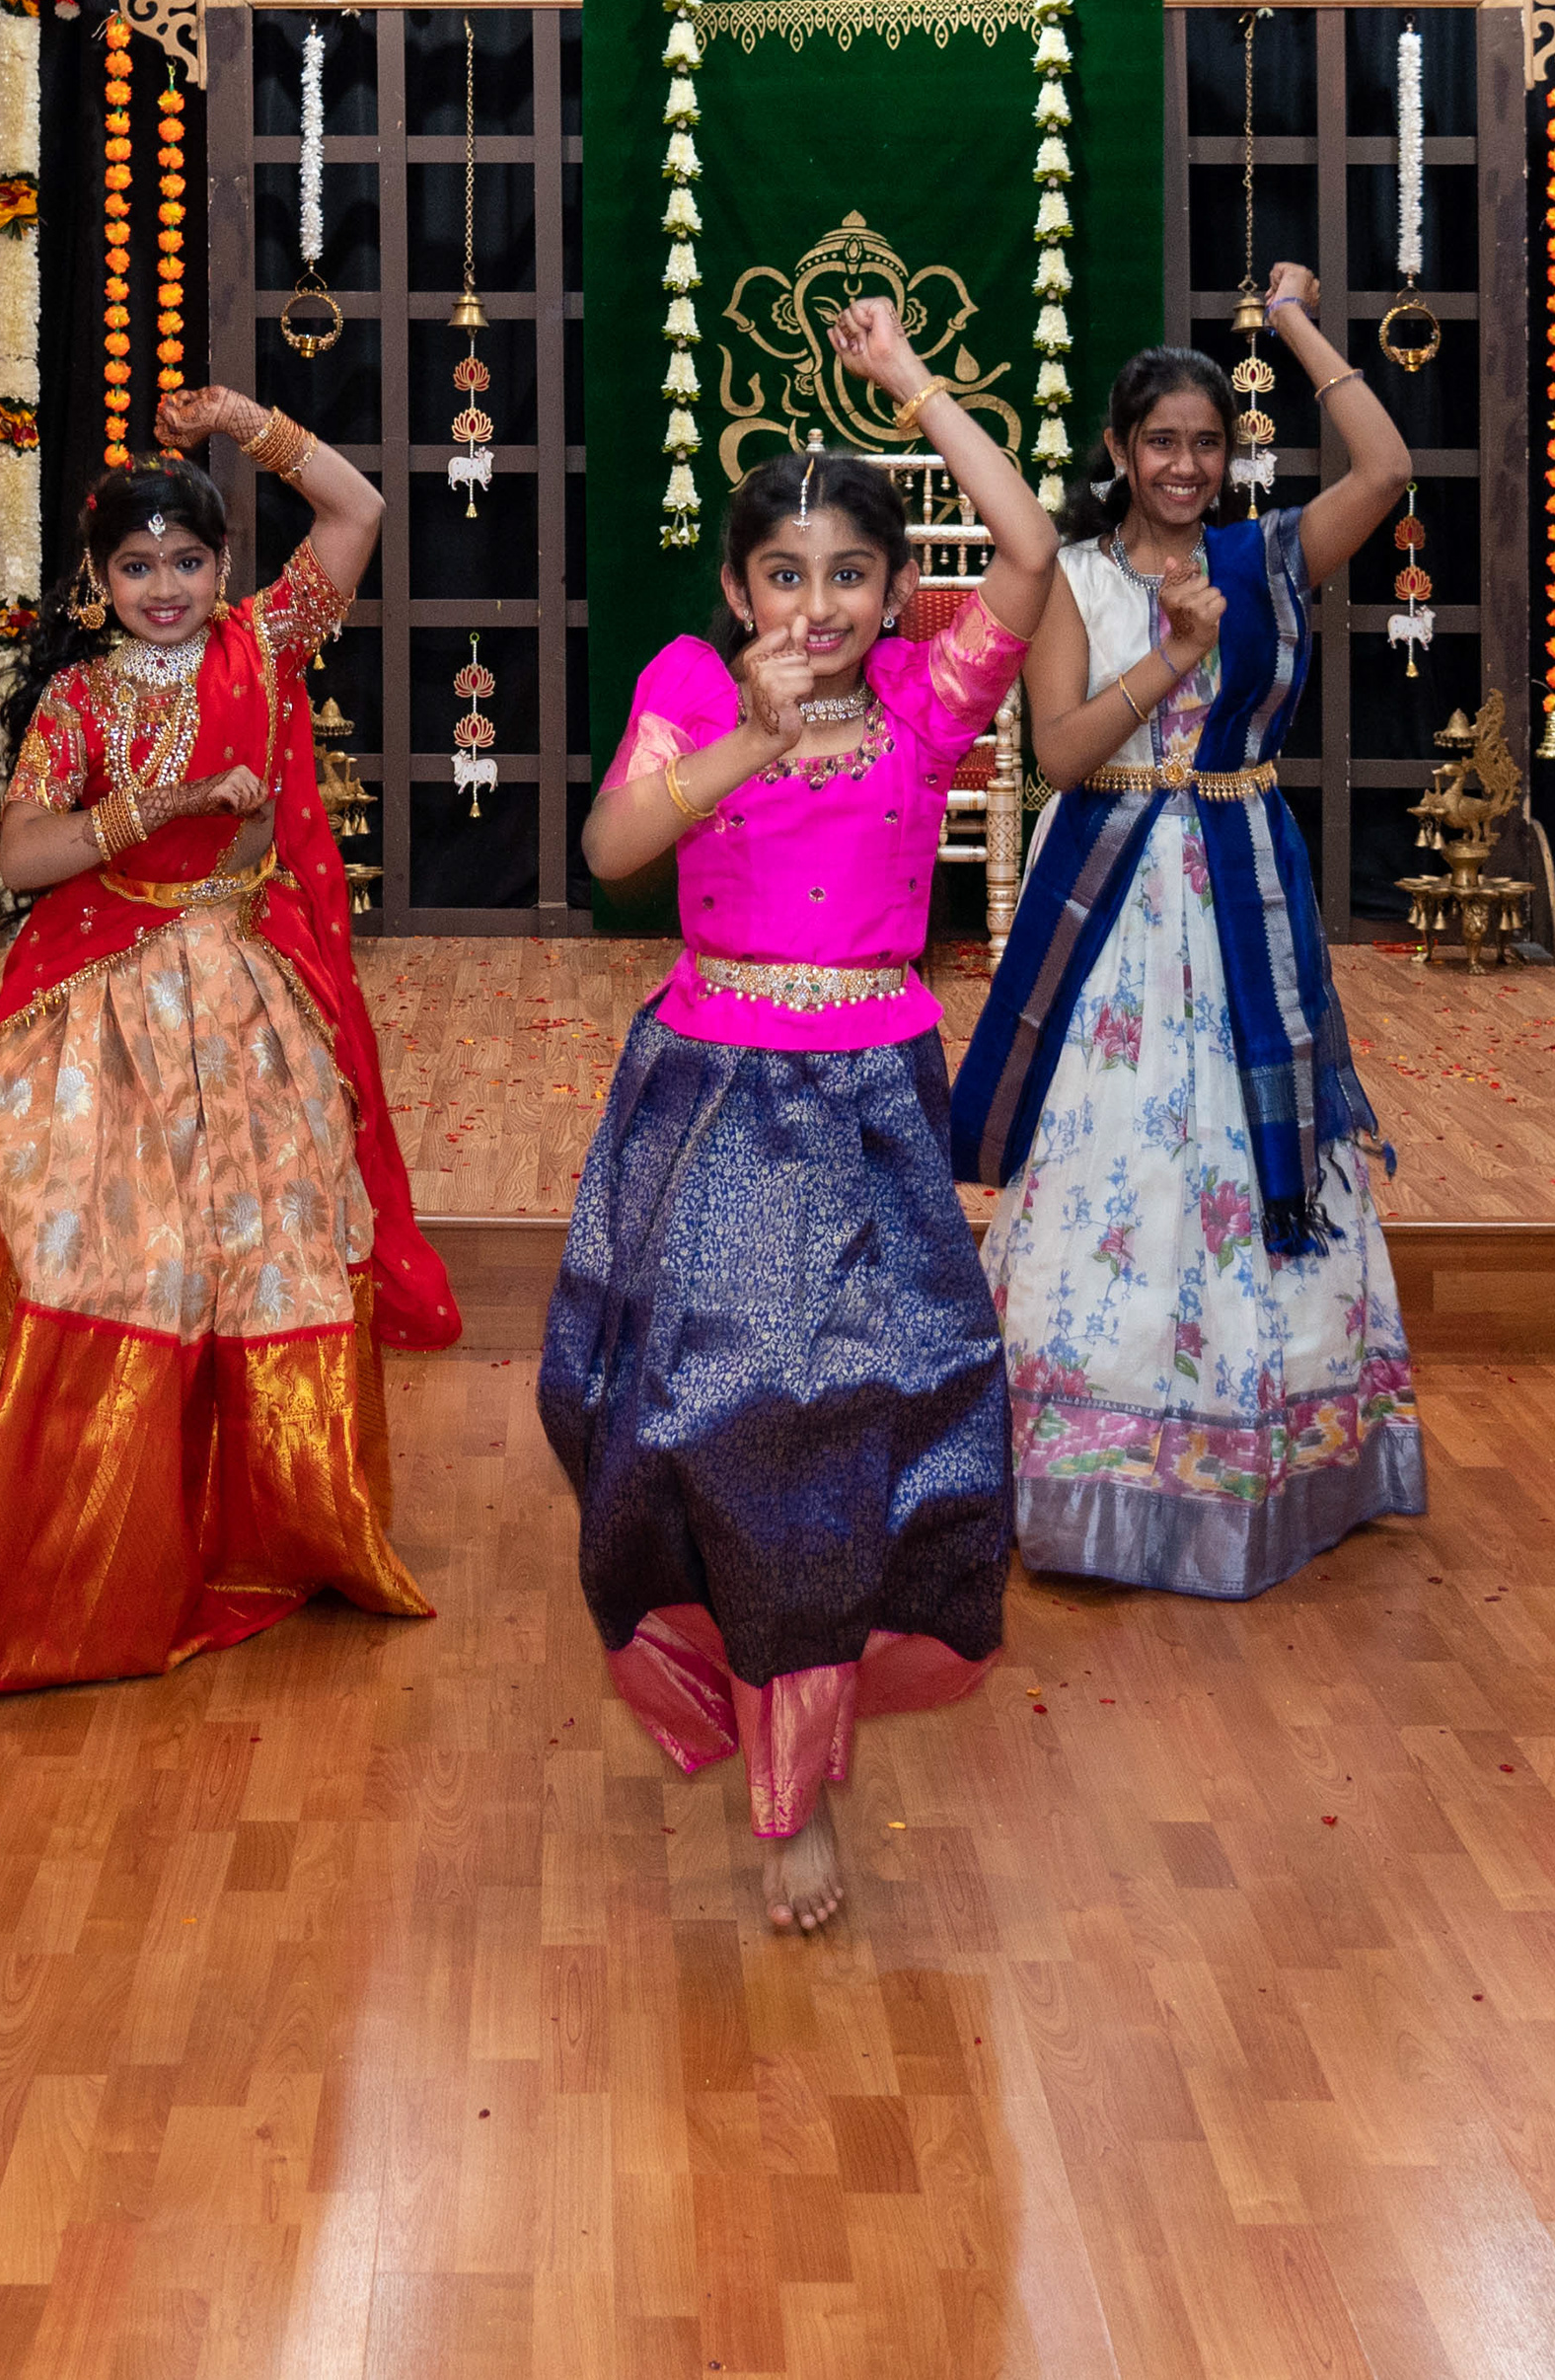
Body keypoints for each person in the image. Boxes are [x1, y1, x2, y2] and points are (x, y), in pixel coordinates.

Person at [546, 298, 1051, 1935]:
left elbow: (1031, 551)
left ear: (894, 592)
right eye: (785, 573)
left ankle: (801, 1755)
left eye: (849, 574)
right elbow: (616, 848)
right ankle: (769, 1750)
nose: (817, 605)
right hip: (717, 1092)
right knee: (727, 1417)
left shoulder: (922, 698)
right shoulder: (697, 685)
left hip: (878, 1099)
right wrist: (751, 743)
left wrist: (910, 382)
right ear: (737, 586)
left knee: (865, 1422)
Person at [0, 387, 455, 1694]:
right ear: (98, 582)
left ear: (224, 565)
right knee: (116, 1257)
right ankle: (100, 1558)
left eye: (189, 560)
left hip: (248, 991)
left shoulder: (266, 641)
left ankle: (279, 1530)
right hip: (112, 1003)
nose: (166, 587)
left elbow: (358, 508)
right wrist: (168, 802)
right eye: (138, 566)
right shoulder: (78, 701)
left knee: (273, 1251)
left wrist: (250, 423)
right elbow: (23, 855)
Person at [950, 266, 1426, 1599]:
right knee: (1118, 1141)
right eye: (1159, 441)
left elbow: (1387, 468)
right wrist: (1170, 654)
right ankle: (1086, 1452)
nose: (1184, 465)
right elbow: (1061, 753)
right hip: (1109, 890)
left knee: (1245, 1132)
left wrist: (1291, 325)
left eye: (1207, 443)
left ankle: (1267, 1440)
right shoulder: (1070, 576)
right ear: (1118, 450)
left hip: (1240, 883)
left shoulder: (1265, 556)